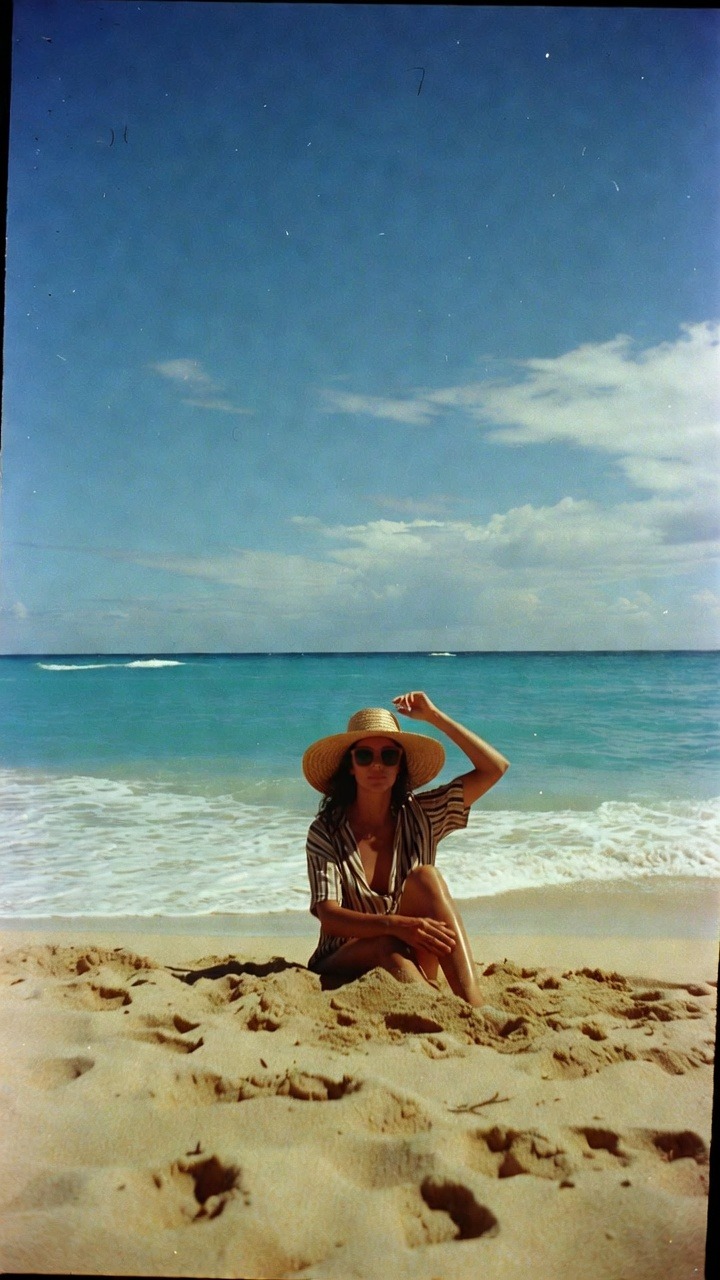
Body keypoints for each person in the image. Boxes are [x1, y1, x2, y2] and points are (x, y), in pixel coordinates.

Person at [302, 690, 509, 1005]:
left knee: (426, 877)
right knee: (387, 944)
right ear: (350, 766)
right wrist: (397, 925)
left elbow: (494, 768)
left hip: (413, 954)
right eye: (364, 756)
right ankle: (438, 1006)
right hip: (343, 959)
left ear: (400, 765)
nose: (377, 765)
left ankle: (472, 1003)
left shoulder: (422, 814)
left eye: (388, 756)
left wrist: (434, 717)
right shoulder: (326, 830)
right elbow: (330, 916)